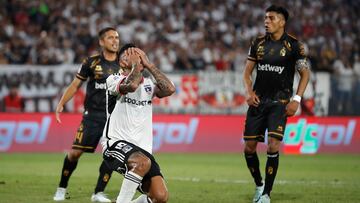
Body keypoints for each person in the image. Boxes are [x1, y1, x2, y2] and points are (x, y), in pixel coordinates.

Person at [242, 5, 310, 203]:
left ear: (282, 21)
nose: (266, 22)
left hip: (280, 103)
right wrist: (249, 92)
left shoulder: (295, 46)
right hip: (258, 103)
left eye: (271, 18)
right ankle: (259, 184)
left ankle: (266, 195)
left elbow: (304, 74)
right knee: (249, 148)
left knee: (273, 145)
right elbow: (247, 73)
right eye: (265, 18)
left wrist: (296, 100)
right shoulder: (257, 43)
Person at [53, 27, 121, 202]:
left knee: (111, 155)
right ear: (101, 42)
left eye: (117, 37)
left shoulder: (124, 63)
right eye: (111, 37)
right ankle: (61, 188)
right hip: (92, 116)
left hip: (113, 118)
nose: (115, 41)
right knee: (75, 153)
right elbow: (75, 85)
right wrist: (62, 103)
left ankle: (98, 193)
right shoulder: (91, 62)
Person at [101, 44, 175, 203]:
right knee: (141, 162)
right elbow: (132, 85)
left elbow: (169, 89)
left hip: (143, 151)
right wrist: (136, 64)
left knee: (160, 197)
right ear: (121, 62)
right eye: (131, 55)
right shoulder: (113, 79)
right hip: (116, 143)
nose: (137, 57)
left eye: (139, 55)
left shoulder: (148, 85)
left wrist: (149, 64)